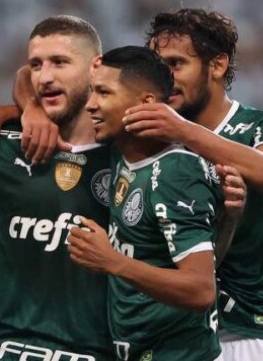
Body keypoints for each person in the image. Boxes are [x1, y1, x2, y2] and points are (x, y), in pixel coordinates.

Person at [0, 15, 115, 360]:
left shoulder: (127, 157)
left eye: (60, 62)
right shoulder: (3, 148)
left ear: (95, 67)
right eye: (37, 65)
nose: (45, 77)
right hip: (9, 350)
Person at [68, 45, 227, 360]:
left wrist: (112, 261)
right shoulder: (121, 148)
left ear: (146, 104)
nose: (90, 105)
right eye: (91, 92)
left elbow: (201, 289)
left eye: (103, 93)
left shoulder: (175, 172)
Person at [122, 8, 263, 360]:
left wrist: (184, 131)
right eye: (157, 66)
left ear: (216, 66)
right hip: (171, 341)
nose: (164, 78)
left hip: (244, 335)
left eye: (176, 64)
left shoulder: (252, 126)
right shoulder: (150, 140)